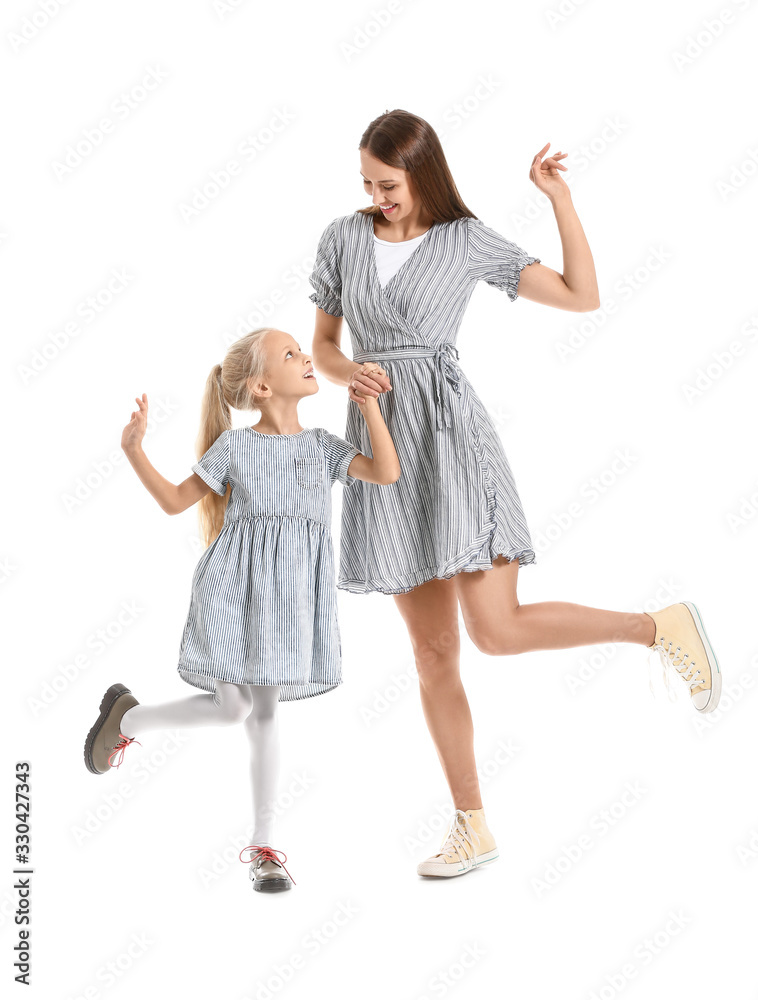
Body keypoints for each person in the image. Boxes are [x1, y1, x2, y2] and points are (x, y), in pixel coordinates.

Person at [308, 108, 722, 880]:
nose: (375, 195)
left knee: (494, 631)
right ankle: (472, 827)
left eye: (388, 183)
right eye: (366, 181)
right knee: (433, 652)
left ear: (422, 174)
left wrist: (558, 199)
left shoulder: (467, 240)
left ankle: (656, 627)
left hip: (452, 441)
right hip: (382, 446)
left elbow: (580, 294)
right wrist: (345, 374)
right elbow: (324, 347)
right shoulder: (341, 237)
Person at [83, 326, 400, 892]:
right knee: (234, 709)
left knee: (262, 710)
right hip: (231, 586)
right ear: (260, 385)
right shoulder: (236, 447)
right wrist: (134, 451)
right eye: (291, 355)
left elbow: (385, 471)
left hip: (291, 597)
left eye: (302, 352)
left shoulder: (323, 445)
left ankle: (263, 846)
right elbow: (176, 501)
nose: (308, 358)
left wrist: (371, 405)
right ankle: (128, 721)